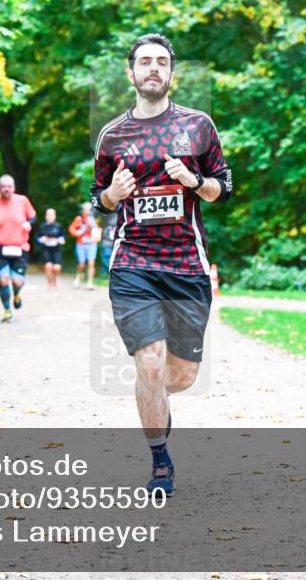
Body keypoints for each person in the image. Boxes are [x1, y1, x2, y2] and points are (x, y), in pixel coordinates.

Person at [91, 33, 234, 496]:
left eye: (161, 62)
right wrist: (115, 192)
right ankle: (160, 462)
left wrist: (194, 181)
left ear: (171, 73)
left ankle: (152, 398)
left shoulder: (198, 126)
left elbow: (223, 189)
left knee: (179, 377)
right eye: (144, 62)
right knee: (149, 366)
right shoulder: (112, 136)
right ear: (130, 73)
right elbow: (101, 200)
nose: (153, 68)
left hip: (187, 264)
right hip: (133, 262)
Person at [0, 175, 37, 323]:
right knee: (4, 280)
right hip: (1, 247)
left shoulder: (22, 201)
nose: (6, 189)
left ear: (14, 187)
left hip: (20, 247)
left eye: (9, 186)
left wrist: (29, 223)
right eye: (3, 186)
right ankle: (7, 310)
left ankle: (17, 294)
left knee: (17, 281)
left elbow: (33, 216)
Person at [68, 203, 99, 290]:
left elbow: (98, 229)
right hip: (81, 244)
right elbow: (71, 228)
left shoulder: (94, 219)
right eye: (86, 209)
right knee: (81, 264)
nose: (88, 211)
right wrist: (76, 233)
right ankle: (78, 276)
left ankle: (90, 282)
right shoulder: (79, 219)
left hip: (92, 244)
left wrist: (97, 234)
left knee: (91, 263)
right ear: (83, 210)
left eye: (89, 209)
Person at [36, 208, 66, 290]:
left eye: (52, 215)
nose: (50, 216)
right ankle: (49, 283)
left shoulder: (58, 226)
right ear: (46, 216)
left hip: (56, 249)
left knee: (57, 267)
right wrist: (40, 240)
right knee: (48, 266)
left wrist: (61, 240)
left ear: (55, 216)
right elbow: (37, 238)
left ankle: (55, 279)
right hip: (46, 249)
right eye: (48, 215)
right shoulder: (42, 226)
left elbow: (62, 236)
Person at [99, 211, 118, 276]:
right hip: (107, 239)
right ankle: (109, 273)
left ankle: (112, 273)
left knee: (116, 257)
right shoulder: (108, 210)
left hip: (118, 239)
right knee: (106, 255)